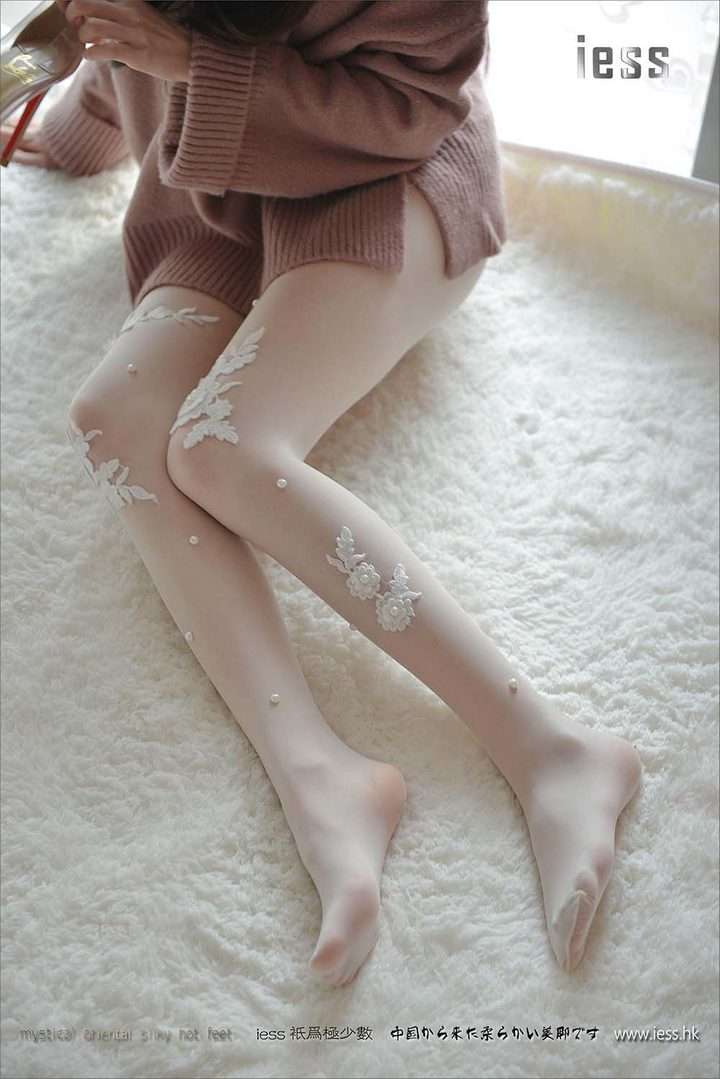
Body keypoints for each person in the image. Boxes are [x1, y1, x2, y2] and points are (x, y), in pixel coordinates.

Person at [1, 0, 641, 988]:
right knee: (114, 418)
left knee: (221, 447)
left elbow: (411, 102)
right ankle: (319, 776)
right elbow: (108, 34)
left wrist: (196, 62)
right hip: (214, 194)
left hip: (379, 173)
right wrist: (77, 123)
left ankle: (551, 748)